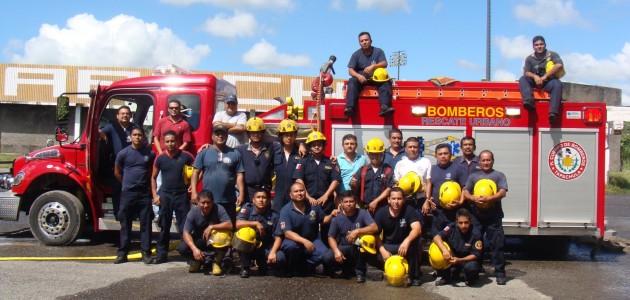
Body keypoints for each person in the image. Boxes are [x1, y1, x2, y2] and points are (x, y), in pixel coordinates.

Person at [462, 150, 508, 285]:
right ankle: (474, 272)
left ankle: (500, 273)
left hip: (493, 217)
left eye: (488, 160)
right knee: (476, 245)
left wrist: (490, 198)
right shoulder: (473, 176)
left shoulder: (499, 175)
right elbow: (465, 191)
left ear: (492, 161)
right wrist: (474, 198)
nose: (486, 163)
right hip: (476, 216)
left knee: (497, 245)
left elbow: (503, 192)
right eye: (483, 160)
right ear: (479, 162)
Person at [150, 130, 195, 264]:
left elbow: (198, 170)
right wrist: (155, 195)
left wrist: (193, 185)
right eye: (167, 141)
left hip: (181, 196)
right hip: (166, 196)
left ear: (177, 142)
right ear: (163, 142)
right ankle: (161, 255)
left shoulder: (186, 156)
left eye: (172, 141)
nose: (170, 144)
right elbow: (153, 178)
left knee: (184, 227)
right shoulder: (160, 158)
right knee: (164, 226)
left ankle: (187, 254)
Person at [274, 182, 337, 276]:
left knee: (325, 255)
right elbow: (287, 233)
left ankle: (305, 267)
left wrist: (332, 215)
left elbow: (323, 220)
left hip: (312, 240)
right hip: (293, 241)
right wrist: (304, 241)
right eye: (296, 191)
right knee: (291, 247)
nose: (299, 193)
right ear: (291, 195)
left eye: (301, 190)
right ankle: (291, 267)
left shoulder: (313, 206)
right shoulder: (285, 210)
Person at [113, 127, 155, 264]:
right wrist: (126, 183)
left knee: (146, 224)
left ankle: (146, 254)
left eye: (140, 135)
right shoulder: (123, 153)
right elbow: (117, 172)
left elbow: (152, 172)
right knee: (125, 224)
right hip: (128, 193)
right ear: (130, 136)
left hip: (144, 194)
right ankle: (123, 253)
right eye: (135, 135)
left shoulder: (149, 153)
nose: (137, 137)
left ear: (143, 137)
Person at [293, 131, 341, 246]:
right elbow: (298, 179)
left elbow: (336, 180)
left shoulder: (330, 162)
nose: (316, 146)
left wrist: (326, 195)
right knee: (308, 231)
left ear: (324, 146)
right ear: (309, 147)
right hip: (308, 203)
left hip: (326, 203)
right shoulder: (303, 162)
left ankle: (327, 257)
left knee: (328, 232)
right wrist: (307, 197)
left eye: (319, 144)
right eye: (313, 144)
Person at [191, 124, 245, 223]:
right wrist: (194, 192)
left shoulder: (235, 153)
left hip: (228, 199)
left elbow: (240, 175)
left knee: (229, 228)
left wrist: (241, 193)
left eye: (223, 134)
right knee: (207, 229)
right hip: (208, 200)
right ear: (212, 136)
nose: (220, 136)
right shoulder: (204, 153)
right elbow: (195, 173)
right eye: (217, 134)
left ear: (227, 136)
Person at [322, 191, 378, 283]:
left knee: (360, 245)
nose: (349, 204)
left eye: (351, 201)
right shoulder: (337, 218)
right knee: (326, 257)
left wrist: (357, 231)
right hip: (343, 247)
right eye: (346, 202)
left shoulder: (362, 213)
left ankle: (360, 273)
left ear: (355, 202)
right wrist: (336, 251)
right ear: (342, 203)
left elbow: (374, 227)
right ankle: (342, 268)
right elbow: (330, 237)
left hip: (358, 247)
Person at [373, 187, 423, 286]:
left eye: (399, 199)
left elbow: (417, 228)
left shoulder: (409, 210)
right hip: (388, 247)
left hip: (404, 247)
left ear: (404, 200)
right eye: (393, 198)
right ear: (388, 200)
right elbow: (375, 233)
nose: (396, 202)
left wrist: (407, 241)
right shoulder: (381, 212)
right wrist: (382, 250)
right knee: (368, 239)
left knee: (418, 240)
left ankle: (415, 276)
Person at [178, 190, 233, 275]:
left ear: (213, 202)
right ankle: (197, 261)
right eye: (203, 203)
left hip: (215, 239)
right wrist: (194, 249)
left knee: (223, 237)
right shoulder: (192, 213)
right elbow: (186, 232)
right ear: (197, 202)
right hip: (200, 240)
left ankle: (216, 262)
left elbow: (229, 225)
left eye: (208, 203)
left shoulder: (219, 208)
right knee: (182, 248)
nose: (206, 205)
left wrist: (212, 227)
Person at [99, 105, 138, 219]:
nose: (125, 115)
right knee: (117, 190)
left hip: (133, 165)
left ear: (130, 116)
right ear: (117, 116)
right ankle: (118, 214)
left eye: (127, 114)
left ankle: (133, 214)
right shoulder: (112, 127)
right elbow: (99, 131)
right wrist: (104, 138)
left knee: (133, 190)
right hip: (118, 165)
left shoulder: (134, 127)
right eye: (122, 113)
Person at [344, 31, 394, 118]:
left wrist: (373, 66)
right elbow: (350, 70)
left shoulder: (378, 52)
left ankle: (385, 107)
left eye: (366, 40)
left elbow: (384, 63)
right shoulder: (356, 55)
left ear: (371, 41)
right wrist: (359, 76)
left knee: (385, 82)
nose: (364, 42)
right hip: (361, 79)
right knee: (352, 82)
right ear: (359, 43)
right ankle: (350, 108)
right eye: (362, 41)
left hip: (376, 78)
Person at [235, 187, 282, 278]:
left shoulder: (274, 215)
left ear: (268, 201)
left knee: (280, 258)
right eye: (258, 197)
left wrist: (273, 252)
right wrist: (255, 223)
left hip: (265, 246)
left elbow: (278, 236)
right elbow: (238, 224)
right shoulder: (247, 208)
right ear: (253, 200)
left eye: (264, 197)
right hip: (248, 245)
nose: (261, 200)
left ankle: (265, 266)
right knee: (245, 234)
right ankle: (244, 267)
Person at [518, 35, 564, 124]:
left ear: (545, 45)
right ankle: (528, 101)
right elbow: (526, 72)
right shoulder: (529, 59)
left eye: (541, 44)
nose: (539, 46)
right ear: (533, 47)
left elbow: (559, 65)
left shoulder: (552, 55)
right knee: (523, 79)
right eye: (537, 45)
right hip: (535, 81)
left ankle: (553, 113)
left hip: (548, 81)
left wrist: (545, 77)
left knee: (557, 84)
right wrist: (535, 77)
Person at [424, 143, 468, 237]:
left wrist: (460, 202)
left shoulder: (458, 169)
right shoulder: (432, 169)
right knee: (437, 237)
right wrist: (429, 198)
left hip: (454, 212)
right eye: (440, 154)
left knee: (454, 238)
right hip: (437, 212)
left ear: (450, 155)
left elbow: (465, 188)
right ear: (436, 156)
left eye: (446, 153)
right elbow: (429, 186)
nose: (443, 156)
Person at [433, 208, 483, 286]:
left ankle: (470, 278)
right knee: (437, 251)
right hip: (453, 258)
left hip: (467, 260)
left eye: (466, 222)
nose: (463, 226)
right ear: (456, 222)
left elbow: (476, 255)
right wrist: (444, 250)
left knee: (472, 267)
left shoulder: (476, 233)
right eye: (461, 223)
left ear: (470, 221)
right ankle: (446, 277)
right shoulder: (451, 227)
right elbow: (436, 237)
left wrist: (460, 260)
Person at [350, 138, 394, 214]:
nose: (374, 156)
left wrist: (376, 201)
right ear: (368, 154)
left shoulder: (388, 170)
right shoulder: (362, 170)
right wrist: (353, 184)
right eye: (372, 154)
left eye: (377, 154)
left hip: (382, 209)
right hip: (364, 209)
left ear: (382, 153)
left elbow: (389, 189)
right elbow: (355, 189)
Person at [236, 117, 275, 202]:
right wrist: (208, 145)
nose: (255, 135)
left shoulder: (271, 147)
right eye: (252, 133)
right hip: (247, 192)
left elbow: (287, 143)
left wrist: (300, 145)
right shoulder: (240, 150)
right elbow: (225, 150)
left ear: (263, 133)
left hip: (265, 191)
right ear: (248, 134)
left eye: (258, 132)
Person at [272, 119, 303, 212]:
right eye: (286, 135)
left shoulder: (302, 153)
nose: (289, 138)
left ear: (295, 136)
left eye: (291, 135)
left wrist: (301, 144)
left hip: (296, 194)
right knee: (277, 219)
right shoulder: (274, 151)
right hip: (279, 194)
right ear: (281, 136)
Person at [393, 137, 431, 208]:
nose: (412, 149)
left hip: (421, 201)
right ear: (406, 149)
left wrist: (427, 201)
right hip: (405, 201)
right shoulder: (400, 164)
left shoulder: (426, 162)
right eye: (410, 147)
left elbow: (428, 183)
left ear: (419, 148)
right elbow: (396, 185)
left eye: (415, 147)